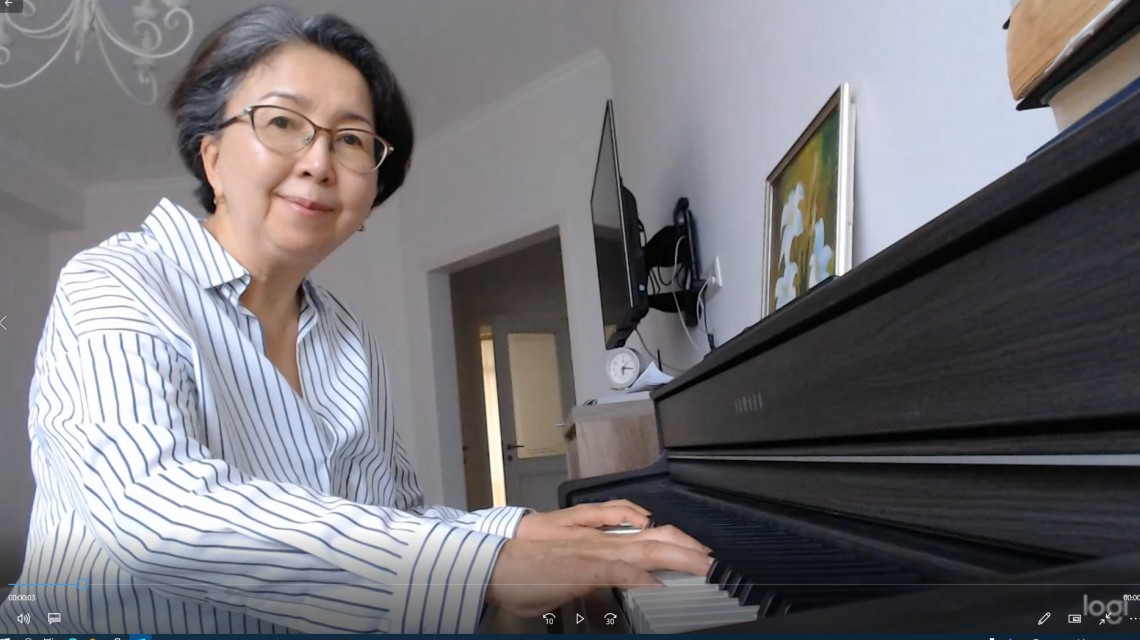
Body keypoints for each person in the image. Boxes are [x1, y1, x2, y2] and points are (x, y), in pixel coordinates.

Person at [0, 5, 711, 634]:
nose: (318, 162)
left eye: (351, 140)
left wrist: (519, 529)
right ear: (212, 158)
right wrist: (489, 567)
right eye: (283, 122)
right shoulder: (115, 282)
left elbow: (388, 521)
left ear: (369, 200)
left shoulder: (349, 342)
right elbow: (157, 516)